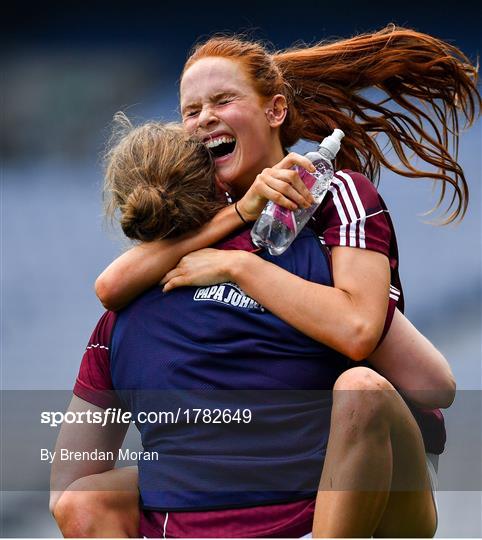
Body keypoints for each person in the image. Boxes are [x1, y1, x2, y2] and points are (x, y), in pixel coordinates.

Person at [51, 24, 480, 537]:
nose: (205, 117)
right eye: (191, 111)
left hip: (375, 464)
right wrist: (239, 216)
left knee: (360, 389)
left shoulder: (334, 192)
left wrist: (241, 266)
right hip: (257, 479)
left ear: (275, 112)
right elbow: (109, 286)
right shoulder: (197, 232)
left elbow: (362, 332)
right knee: (85, 501)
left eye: (223, 100)